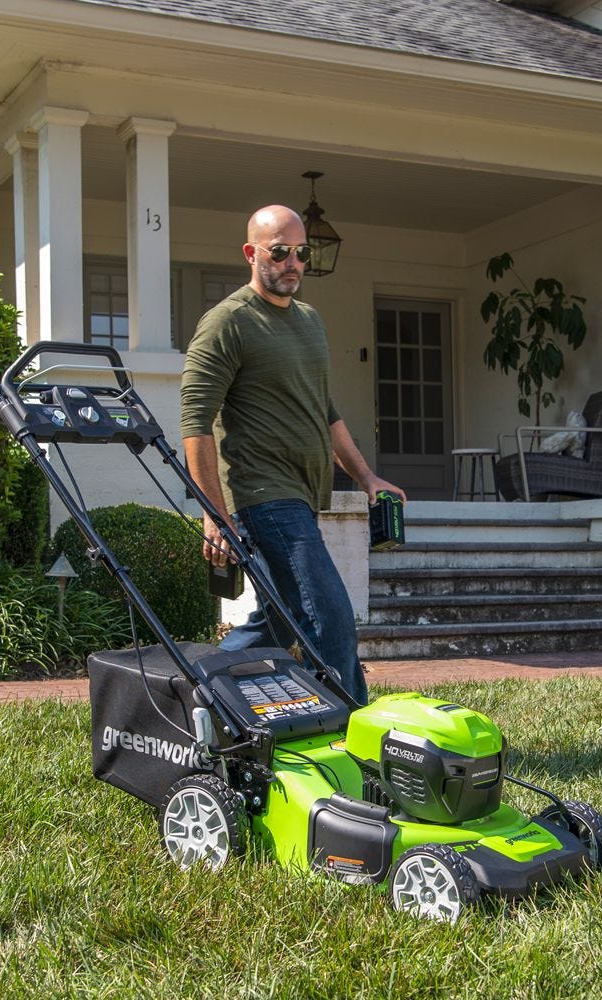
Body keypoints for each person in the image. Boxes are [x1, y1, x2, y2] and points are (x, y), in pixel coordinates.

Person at [180, 205, 405, 705]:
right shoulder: (228, 323)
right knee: (329, 617)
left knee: (279, 623)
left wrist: (368, 478)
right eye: (279, 252)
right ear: (251, 253)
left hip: (303, 497)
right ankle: (354, 733)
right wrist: (214, 516)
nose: (292, 263)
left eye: (301, 253)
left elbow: (325, 413)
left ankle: (193, 691)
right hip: (263, 495)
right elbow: (195, 424)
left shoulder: (309, 322)